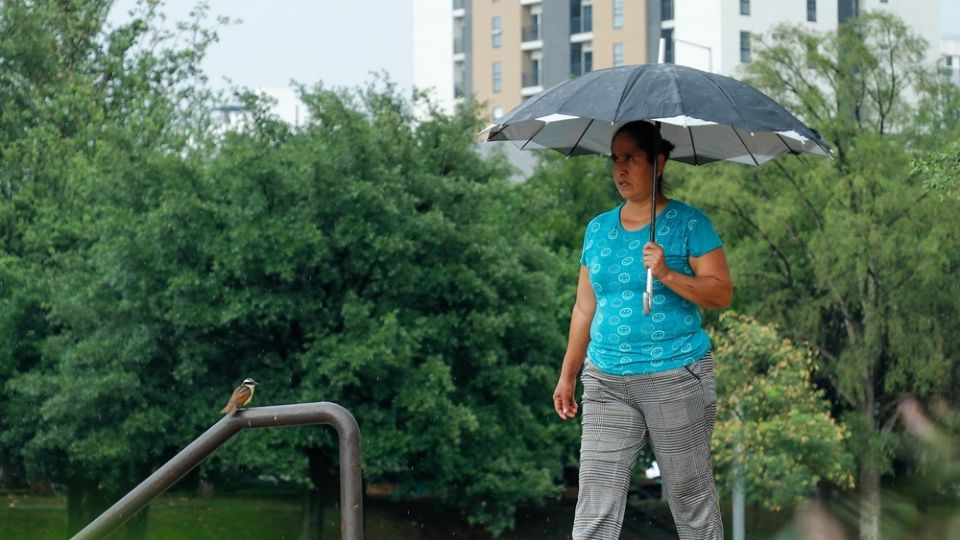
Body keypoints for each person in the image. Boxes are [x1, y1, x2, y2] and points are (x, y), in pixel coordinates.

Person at [553, 120, 733, 540]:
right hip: (606, 380)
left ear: (659, 162)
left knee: (689, 499)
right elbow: (584, 306)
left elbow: (721, 293)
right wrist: (568, 374)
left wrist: (667, 272)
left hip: (676, 376)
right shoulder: (597, 229)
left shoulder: (690, 223)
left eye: (631, 158)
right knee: (595, 500)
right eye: (615, 158)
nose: (620, 168)